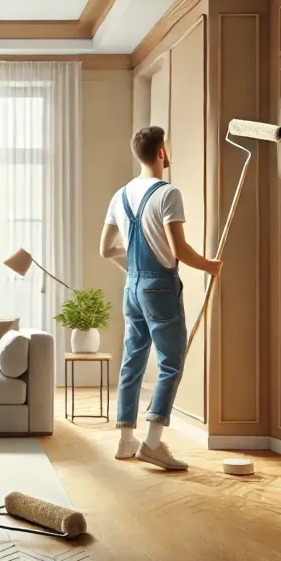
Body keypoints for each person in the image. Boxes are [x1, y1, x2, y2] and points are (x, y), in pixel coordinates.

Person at [98, 126, 221, 471]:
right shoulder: (168, 193)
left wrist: (135, 273)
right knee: (170, 362)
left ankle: (125, 442)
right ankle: (152, 443)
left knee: (132, 361)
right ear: (162, 152)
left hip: (133, 288)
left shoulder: (120, 196)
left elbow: (106, 249)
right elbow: (179, 250)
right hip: (161, 287)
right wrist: (210, 266)